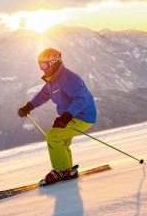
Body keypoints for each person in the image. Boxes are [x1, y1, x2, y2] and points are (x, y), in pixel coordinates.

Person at [17, 48, 97, 185]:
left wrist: (66, 117)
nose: (42, 69)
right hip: (72, 116)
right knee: (62, 142)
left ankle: (61, 170)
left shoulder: (70, 79)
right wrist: (29, 106)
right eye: (39, 65)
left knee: (53, 136)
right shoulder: (52, 80)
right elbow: (43, 95)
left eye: (44, 65)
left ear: (54, 63)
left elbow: (81, 100)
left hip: (82, 117)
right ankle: (68, 170)